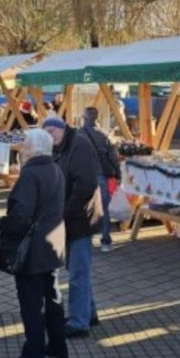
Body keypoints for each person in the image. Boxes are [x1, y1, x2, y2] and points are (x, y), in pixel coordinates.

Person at [0, 130, 67, 358]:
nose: (22, 148)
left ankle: (33, 356)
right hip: (54, 241)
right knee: (53, 296)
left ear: (29, 148)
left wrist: (4, 225)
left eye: (24, 145)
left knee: (32, 302)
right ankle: (58, 345)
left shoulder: (30, 174)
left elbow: (21, 214)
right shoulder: (55, 168)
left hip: (33, 248)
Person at [42, 117, 101, 338]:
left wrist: (64, 213)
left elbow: (85, 186)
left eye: (52, 131)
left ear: (62, 128)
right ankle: (88, 313)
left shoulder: (79, 145)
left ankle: (79, 323)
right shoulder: (60, 147)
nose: (50, 136)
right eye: (46, 132)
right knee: (78, 269)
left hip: (80, 219)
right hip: (70, 217)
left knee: (78, 271)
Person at [80, 107, 121, 253]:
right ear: (96, 118)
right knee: (103, 209)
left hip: (82, 177)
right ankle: (105, 241)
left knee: (85, 209)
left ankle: (86, 241)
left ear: (83, 118)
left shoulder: (77, 135)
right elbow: (113, 158)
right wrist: (118, 175)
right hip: (100, 176)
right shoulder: (104, 135)